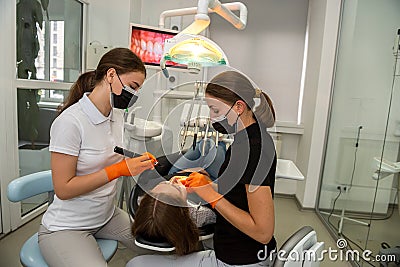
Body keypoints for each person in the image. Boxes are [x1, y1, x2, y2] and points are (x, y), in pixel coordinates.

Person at [127, 70, 277, 267]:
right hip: (233, 252)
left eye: (215, 110)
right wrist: (206, 184)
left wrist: (210, 196)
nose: (212, 117)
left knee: (135, 265)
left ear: (239, 107)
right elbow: (239, 194)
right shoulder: (246, 140)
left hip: (240, 261)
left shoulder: (252, 151)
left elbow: (263, 232)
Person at [38, 47, 156, 267]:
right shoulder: (70, 123)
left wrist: (138, 164)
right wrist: (118, 170)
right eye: (132, 87)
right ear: (110, 75)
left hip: (106, 216)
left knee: (163, 246)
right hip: (67, 227)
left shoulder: (117, 116)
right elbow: (63, 189)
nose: (135, 95)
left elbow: (113, 157)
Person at [131, 177, 216, 257]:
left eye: (164, 182)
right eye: (178, 188)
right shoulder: (200, 214)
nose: (171, 181)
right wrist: (209, 183)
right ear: (182, 207)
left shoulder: (141, 201)